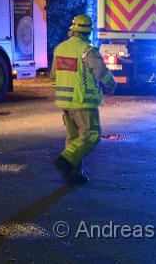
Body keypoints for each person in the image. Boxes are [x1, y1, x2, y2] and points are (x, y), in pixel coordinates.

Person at [49, 14, 117, 185]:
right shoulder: (88, 50)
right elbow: (101, 72)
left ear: (72, 29)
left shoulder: (60, 48)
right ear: (88, 31)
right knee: (91, 135)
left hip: (65, 102)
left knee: (73, 139)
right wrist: (111, 84)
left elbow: (53, 76)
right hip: (83, 102)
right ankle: (65, 160)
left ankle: (74, 175)